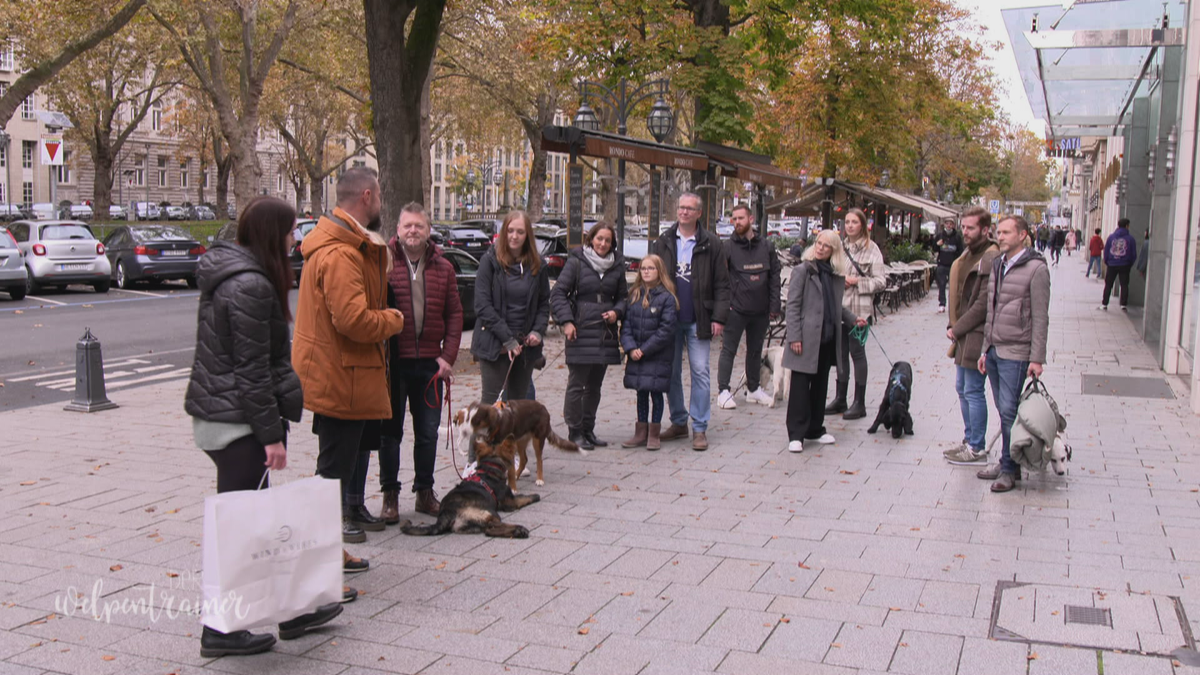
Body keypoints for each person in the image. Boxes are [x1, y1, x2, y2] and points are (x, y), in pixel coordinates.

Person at [186, 196, 343, 657]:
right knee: (243, 530)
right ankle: (221, 630)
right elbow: (251, 369)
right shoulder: (251, 285)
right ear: (273, 234)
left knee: (257, 522)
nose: (296, 239)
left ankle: (293, 610)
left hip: (226, 415)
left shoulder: (237, 275)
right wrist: (271, 435)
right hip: (236, 422)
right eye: (292, 230)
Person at [292, 167, 405, 549]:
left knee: (335, 469)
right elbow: (353, 320)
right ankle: (321, 558)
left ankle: (328, 555)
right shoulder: (341, 253)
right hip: (342, 376)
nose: (382, 205)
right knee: (332, 473)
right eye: (380, 197)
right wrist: (393, 319)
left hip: (341, 374)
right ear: (367, 197)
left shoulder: (340, 245)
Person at [376, 203, 463, 521]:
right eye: (407, 226)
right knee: (390, 433)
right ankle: (390, 496)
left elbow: (455, 315)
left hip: (430, 365)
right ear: (397, 229)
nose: (413, 231)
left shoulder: (444, 267)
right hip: (392, 365)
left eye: (419, 226)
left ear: (428, 231)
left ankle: (424, 493)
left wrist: (448, 356)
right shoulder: (382, 262)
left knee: (427, 433)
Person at [651, 192, 731, 451]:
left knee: (700, 372)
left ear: (699, 213)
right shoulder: (663, 241)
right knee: (671, 372)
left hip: (699, 317)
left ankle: (699, 428)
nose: (684, 212)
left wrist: (719, 317)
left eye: (689, 209)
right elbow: (652, 276)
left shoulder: (712, 243)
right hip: (668, 318)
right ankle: (678, 421)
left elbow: (722, 283)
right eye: (681, 207)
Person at [977, 214, 1050, 493]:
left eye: (1007, 232)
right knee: (1004, 409)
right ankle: (1009, 461)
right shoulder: (998, 264)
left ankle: (1009, 469)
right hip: (995, 348)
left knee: (1009, 411)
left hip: (1017, 350)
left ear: (1022, 235)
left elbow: (1041, 317)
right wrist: (986, 348)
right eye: (999, 231)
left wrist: (1037, 358)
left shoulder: (1036, 269)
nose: (1001, 236)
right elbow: (991, 310)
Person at [783, 230, 867, 453]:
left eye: (826, 245)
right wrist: (794, 336)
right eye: (818, 243)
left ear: (834, 250)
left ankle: (815, 428)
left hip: (827, 336)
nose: (820, 248)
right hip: (805, 337)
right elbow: (792, 306)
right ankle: (796, 433)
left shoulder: (834, 275)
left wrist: (852, 319)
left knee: (820, 385)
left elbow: (836, 306)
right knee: (801, 386)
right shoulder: (803, 270)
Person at [550, 221, 628, 449]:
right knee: (577, 384)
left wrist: (617, 311)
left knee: (595, 386)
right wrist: (567, 322)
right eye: (599, 239)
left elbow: (623, 297)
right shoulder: (576, 263)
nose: (603, 243)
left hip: (605, 332)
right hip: (581, 330)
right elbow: (558, 294)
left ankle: (588, 429)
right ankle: (574, 431)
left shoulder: (617, 265)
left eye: (607, 240)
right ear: (591, 239)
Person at [473, 210, 551, 409]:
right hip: (494, 342)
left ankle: (514, 441)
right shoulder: (489, 261)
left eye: (520, 232)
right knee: (492, 406)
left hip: (524, 345)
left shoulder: (538, 265)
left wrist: (537, 331)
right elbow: (482, 305)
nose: (514, 236)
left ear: (527, 236)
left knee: (518, 406)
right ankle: (485, 441)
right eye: (510, 231)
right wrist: (507, 339)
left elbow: (543, 303)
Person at [941, 206, 1000, 465]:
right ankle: (969, 440)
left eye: (971, 228)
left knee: (973, 389)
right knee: (962, 388)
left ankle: (977, 446)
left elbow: (983, 303)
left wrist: (958, 327)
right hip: (964, 332)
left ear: (985, 230)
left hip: (977, 333)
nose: (965, 232)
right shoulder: (968, 254)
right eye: (963, 227)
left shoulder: (990, 257)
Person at [716, 204, 780, 410]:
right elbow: (720, 279)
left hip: (760, 309)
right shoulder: (727, 247)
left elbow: (775, 277)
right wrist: (723, 307)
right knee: (728, 350)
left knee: (755, 351)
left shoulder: (767, 247)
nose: (737, 222)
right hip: (736, 309)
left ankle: (753, 389)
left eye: (740, 218)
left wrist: (774, 305)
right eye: (733, 219)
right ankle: (723, 390)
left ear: (751, 219)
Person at [825, 208, 885, 420]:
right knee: (840, 355)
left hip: (859, 309)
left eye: (854, 222)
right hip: (839, 307)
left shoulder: (872, 250)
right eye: (847, 222)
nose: (850, 226)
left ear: (863, 225)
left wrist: (857, 282)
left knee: (857, 353)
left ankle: (859, 402)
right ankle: (841, 397)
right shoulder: (840, 247)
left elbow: (881, 281)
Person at [621, 254, 679, 450]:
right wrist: (630, 348)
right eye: (643, 268)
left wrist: (644, 350)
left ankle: (654, 433)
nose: (646, 271)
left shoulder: (667, 298)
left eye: (650, 268)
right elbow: (626, 325)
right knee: (641, 392)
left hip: (657, 354)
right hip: (636, 353)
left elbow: (666, 331)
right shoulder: (634, 294)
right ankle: (640, 432)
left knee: (656, 393)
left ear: (659, 271)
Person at [1101, 218, 1138, 311]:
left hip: (1112, 264)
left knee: (1108, 284)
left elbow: (1106, 250)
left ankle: (1105, 303)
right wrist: (1129, 263)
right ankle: (1123, 304)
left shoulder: (1111, 237)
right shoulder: (1130, 239)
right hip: (1125, 264)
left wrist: (1107, 261)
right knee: (1124, 285)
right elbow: (1133, 254)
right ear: (1127, 226)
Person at [932, 217, 961, 314]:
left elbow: (960, 251)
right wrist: (937, 244)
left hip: (953, 265)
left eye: (950, 224)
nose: (948, 225)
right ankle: (942, 304)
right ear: (944, 225)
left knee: (954, 286)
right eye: (947, 223)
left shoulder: (957, 237)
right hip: (942, 264)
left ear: (953, 225)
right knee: (942, 284)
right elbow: (934, 249)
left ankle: (954, 305)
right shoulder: (940, 235)